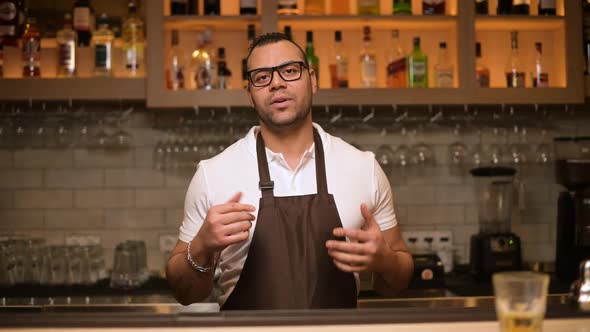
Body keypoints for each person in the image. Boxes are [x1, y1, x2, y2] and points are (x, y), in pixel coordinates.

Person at [166, 32, 414, 310]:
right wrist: (201, 246)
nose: (277, 83)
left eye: (290, 71)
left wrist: (385, 261)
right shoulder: (213, 175)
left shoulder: (362, 167)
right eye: (262, 77)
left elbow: (398, 281)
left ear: (314, 80)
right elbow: (185, 294)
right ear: (250, 93)